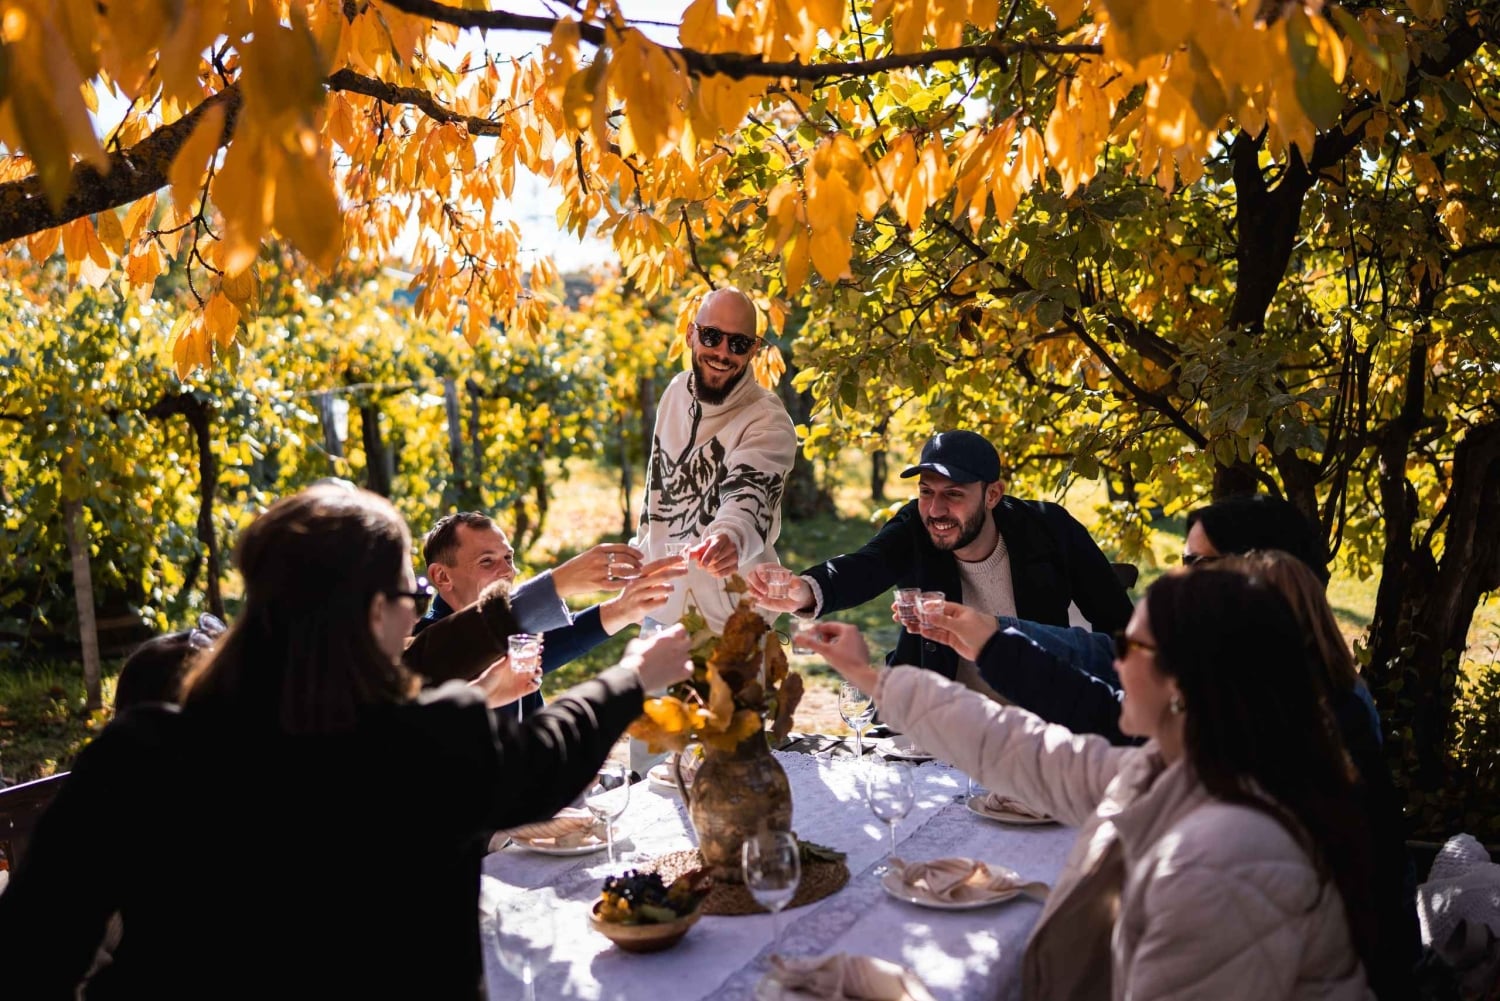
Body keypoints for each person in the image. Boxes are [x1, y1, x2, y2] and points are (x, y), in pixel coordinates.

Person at [0, 485, 693, 998]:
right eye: (410, 599)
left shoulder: (138, 752)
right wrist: (632, 677)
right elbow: (545, 761)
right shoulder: (412, 743)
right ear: (371, 613)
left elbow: (29, 953)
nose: (415, 616)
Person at [804, 569, 1377, 1000]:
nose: (1115, 662)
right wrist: (870, 676)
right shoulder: (1188, 770)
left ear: (1184, 684)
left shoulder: (1224, 858)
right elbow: (1027, 751)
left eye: (1129, 646)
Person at [748, 429, 1132, 690]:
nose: (935, 509)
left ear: (993, 495)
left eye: (954, 494)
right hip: (939, 727)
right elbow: (868, 565)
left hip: (1039, 721)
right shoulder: (914, 527)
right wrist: (803, 591)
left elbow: (1120, 627)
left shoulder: (1050, 530)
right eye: (926, 491)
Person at [405, 510, 684, 717]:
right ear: (441, 576)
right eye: (487, 561)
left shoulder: (513, 637)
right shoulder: (425, 647)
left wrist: (623, 609)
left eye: (508, 558)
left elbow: (552, 644)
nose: (508, 572)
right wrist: (560, 582)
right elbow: (472, 648)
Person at [635, 286, 798, 631]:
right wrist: (640, 555)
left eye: (737, 343)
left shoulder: (767, 419)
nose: (723, 353)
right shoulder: (675, 393)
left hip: (732, 626)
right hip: (659, 614)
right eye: (711, 337)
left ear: (753, 349)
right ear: (691, 334)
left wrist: (731, 537)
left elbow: (751, 495)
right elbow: (657, 490)